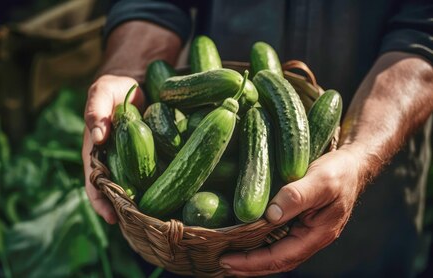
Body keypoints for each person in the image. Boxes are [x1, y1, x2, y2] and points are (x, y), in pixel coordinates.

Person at [81, 0, 433, 276]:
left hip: (369, 195)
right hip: (196, 245)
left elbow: (424, 33)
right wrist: (129, 72)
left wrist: (358, 154)